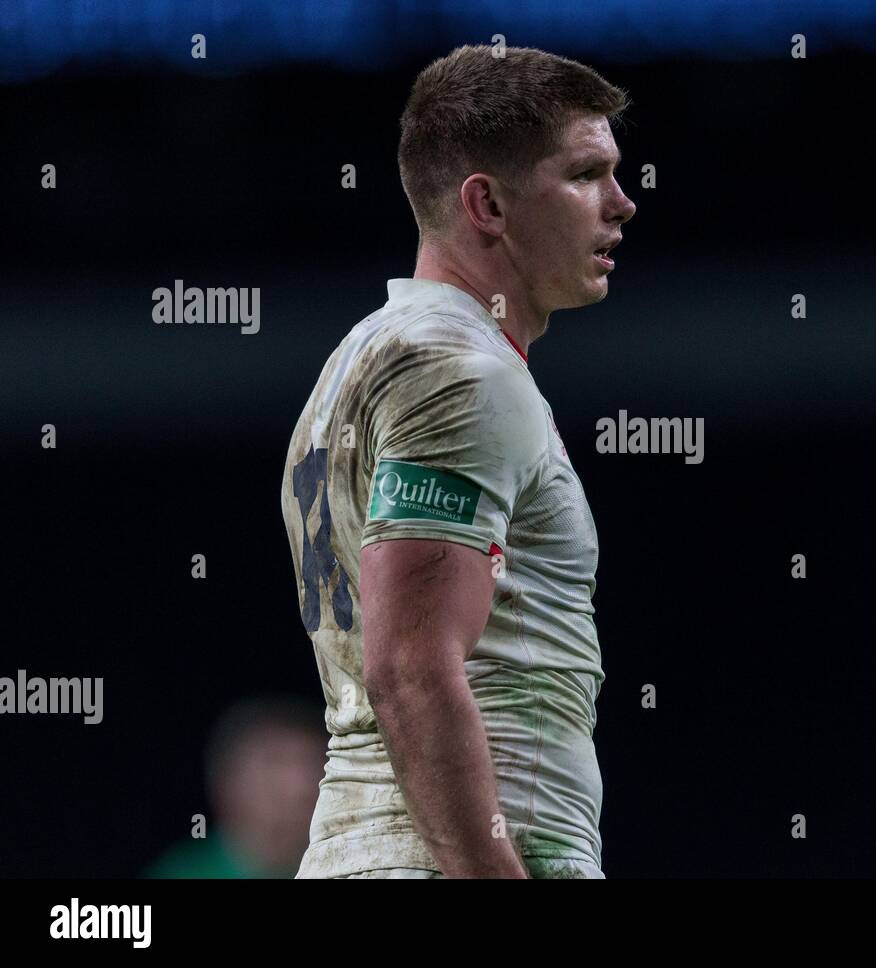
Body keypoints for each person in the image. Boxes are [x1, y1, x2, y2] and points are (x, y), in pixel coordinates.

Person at [280, 44, 636, 879]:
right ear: (488, 204)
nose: (621, 203)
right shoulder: (459, 371)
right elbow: (409, 667)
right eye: (586, 174)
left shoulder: (359, 361)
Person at [145, 697, 323, 878]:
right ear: (227, 780)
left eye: (314, 763)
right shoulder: (181, 873)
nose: (300, 787)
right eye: (274, 763)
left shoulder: (342, 865)